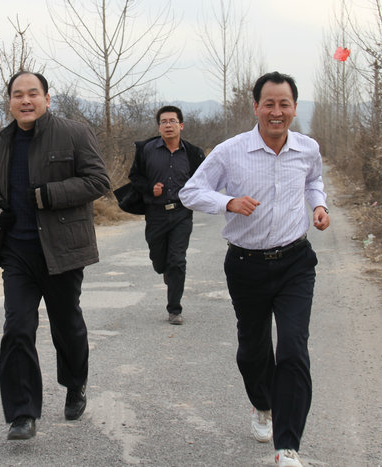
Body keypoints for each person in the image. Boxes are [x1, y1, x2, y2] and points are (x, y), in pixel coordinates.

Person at [179, 72, 330, 467]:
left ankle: (287, 447)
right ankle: (262, 404)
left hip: (295, 262)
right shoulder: (231, 151)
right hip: (246, 265)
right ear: (256, 107)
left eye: (284, 104)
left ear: (294, 108)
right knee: (252, 350)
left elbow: (314, 181)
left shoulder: (307, 148)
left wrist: (318, 206)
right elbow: (191, 191)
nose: (276, 112)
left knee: (293, 348)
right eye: (269, 104)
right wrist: (228, 202)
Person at [0, 71, 110, 440]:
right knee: (17, 327)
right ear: (9, 101)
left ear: (47, 99)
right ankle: (22, 414)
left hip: (62, 248)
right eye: (18, 94)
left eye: (33, 94)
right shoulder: (0, 140)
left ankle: (75, 383)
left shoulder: (74, 133)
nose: (25, 100)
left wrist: (49, 195)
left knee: (66, 324)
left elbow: (98, 181)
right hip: (17, 251)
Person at [128, 105, 205, 325]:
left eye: (172, 121)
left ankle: (174, 310)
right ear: (159, 127)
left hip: (181, 213)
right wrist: (150, 188)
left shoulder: (193, 153)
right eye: (164, 122)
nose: (168, 125)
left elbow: (204, 180)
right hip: (156, 213)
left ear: (181, 125)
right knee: (159, 260)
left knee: (177, 261)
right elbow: (135, 177)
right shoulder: (146, 149)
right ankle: (165, 270)